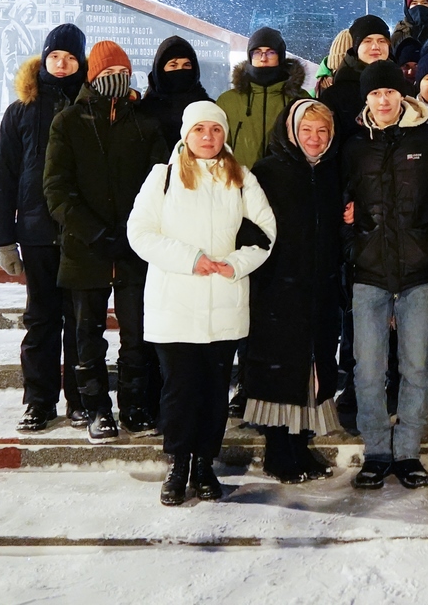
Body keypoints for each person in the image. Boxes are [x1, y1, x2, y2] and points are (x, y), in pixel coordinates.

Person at [128, 101, 275, 505]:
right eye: (199, 130)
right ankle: (177, 466)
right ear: (186, 134)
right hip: (175, 304)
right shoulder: (164, 177)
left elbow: (265, 232)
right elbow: (139, 232)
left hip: (224, 303)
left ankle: (205, 464)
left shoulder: (241, 178)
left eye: (215, 130)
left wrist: (233, 264)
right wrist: (192, 259)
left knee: (213, 392)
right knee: (178, 390)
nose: (208, 137)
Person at [44, 40, 168, 444]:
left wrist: (134, 230)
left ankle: (133, 405)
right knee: (87, 335)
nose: (117, 81)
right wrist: (95, 231)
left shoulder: (145, 122)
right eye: (107, 76)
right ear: (93, 78)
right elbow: (57, 189)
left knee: (137, 333)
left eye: (123, 74)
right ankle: (97, 408)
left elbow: (160, 184)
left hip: (134, 247)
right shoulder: (68, 122)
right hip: (86, 247)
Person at [343, 59, 428, 489]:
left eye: (389, 92)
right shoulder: (354, 145)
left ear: (401, 95)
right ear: (367, 98)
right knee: (368, 369)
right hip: (368, 271)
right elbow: (341, 205)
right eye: (375, 93)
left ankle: (407, 452)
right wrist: (353, 244)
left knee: (415, 367)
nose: (383, 100)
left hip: (417, 272)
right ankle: (376, 451)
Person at [0, 23, 88, 432]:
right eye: (54, 57)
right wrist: (4, 238)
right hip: (37, 232)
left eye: (69, 58)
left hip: (82, 233)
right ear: (43, 59)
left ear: (81, 62)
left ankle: (81, 400)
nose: (61, 65)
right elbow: (2, 177)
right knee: (42, 320)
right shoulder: (21, 111)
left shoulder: (90, 107)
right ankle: (39, 401)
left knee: (80, 321)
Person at [242, 100, 346, 484]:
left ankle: (300, 447)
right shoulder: (267, 172)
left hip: (318, 289)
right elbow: (250, 229)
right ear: (291, 131)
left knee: (312, 371)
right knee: (279, 371)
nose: (314, 139)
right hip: (277, 289)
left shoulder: (332, 174)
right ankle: (278, 453)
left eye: (322, 131)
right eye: (307, 130)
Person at [218, 27, 309, 171]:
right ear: (249, 56)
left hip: (286, 183)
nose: (263, 58)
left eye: (270, 52)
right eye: (257, 52)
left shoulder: (299, 100)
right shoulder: (228, 101)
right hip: (240, 182)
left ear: (280, 56)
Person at [320, 15, 394, 145]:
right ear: (356, 46)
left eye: (382, 41)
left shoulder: (403, 87)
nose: (375, 46)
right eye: (367, 41)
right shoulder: (335, 95)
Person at [137, 35, 212, 149]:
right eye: (173, 65)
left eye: (186, 65)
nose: (180, 70)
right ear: (160, 69)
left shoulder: (208, 108)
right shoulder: (142, 111)